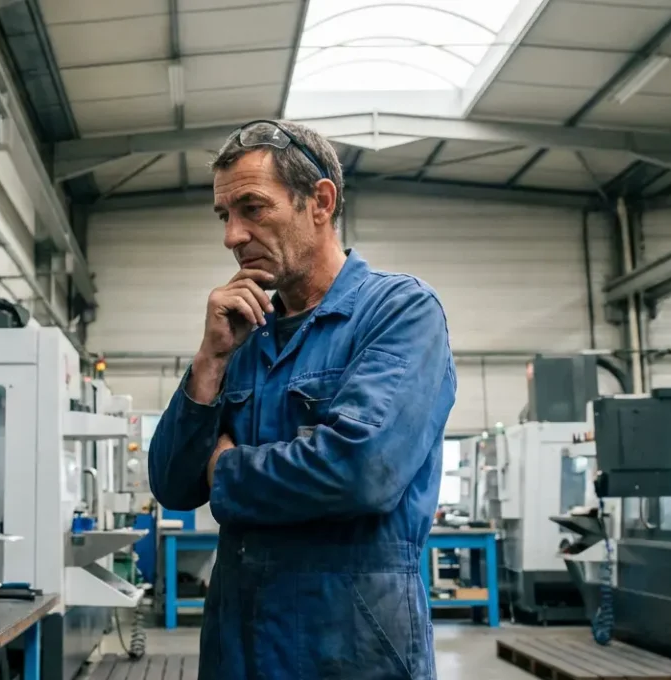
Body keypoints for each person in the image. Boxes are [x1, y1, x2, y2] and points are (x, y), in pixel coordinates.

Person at [148, 119, 456, 680]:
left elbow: (360, 470)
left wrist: (224, 468)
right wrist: (210, 360)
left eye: (252, 208)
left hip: (351, 650)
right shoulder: (242, 332)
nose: (232, 236)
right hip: (238, 648)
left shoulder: (398, 313)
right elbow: (171, 483)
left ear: (320, 201)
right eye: (224, 216)